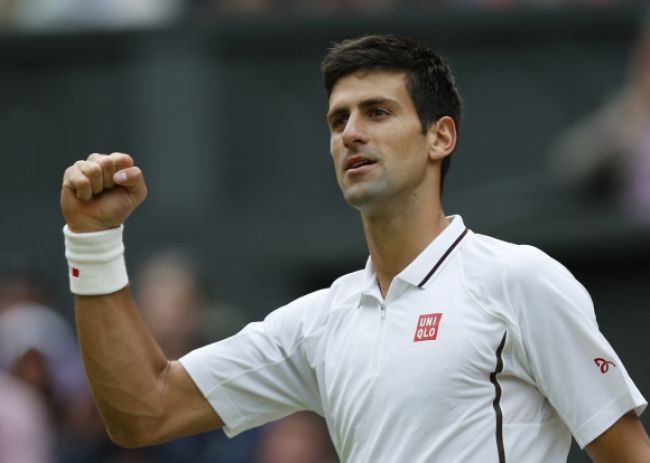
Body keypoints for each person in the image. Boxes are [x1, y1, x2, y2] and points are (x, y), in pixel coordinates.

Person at [60, 34, 649, 462]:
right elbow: (145, 410)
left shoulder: (519, 280)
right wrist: (92, 242)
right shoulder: (320, 323)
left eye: (377, 112)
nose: (351, 134)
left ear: (440, 136)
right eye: (337, 120)